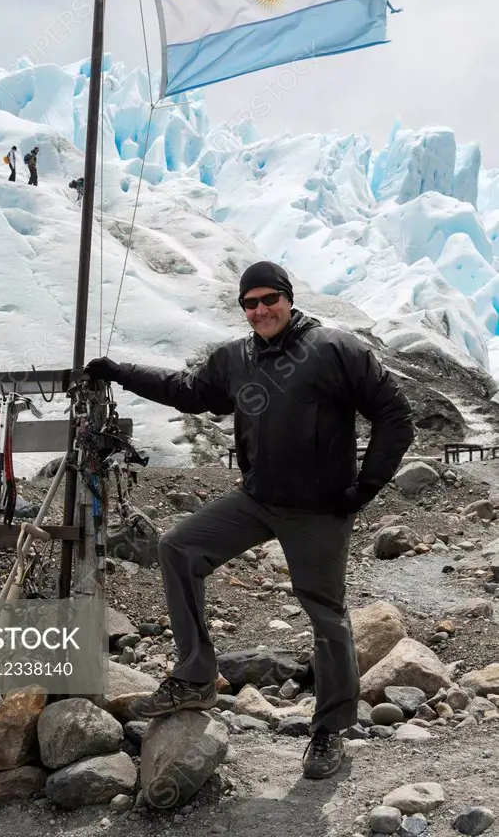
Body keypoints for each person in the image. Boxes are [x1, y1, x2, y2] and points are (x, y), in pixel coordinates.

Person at [83, 261, 415, 781]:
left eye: (269, 299)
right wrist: (119, 372)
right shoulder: (237, 358)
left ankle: (330, 730)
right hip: (256, 500)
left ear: (288, 297)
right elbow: (188, 390)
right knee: (179, 548)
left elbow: (396, 416)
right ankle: (195, 675)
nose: (260, 310)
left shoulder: (335, 348)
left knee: (325, 616)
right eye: (250, 303)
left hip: (319, 509)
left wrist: (363, 488)